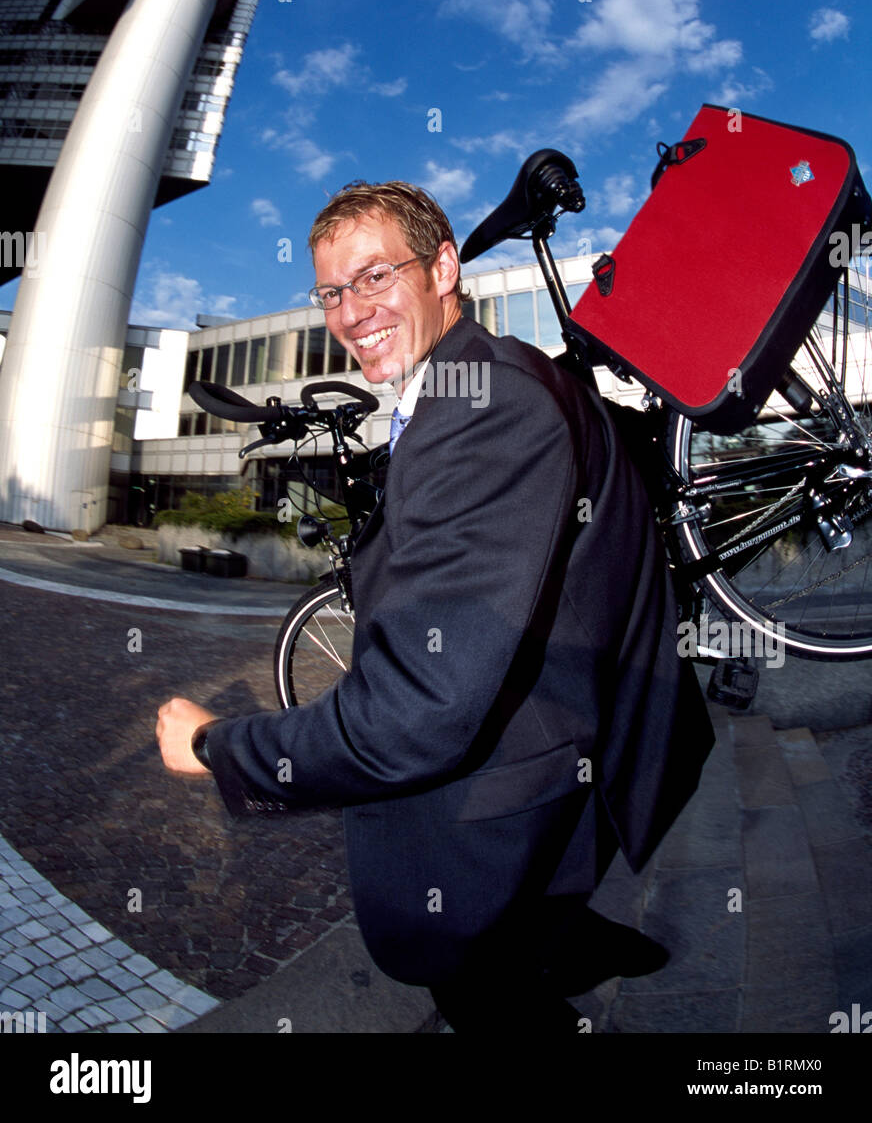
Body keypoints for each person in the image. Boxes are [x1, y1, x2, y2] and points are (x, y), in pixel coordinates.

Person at [156, 180, 714, 1034]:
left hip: (492, 814)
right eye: (333, 292)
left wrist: (215, 746)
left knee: (484, 997)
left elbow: (415, 711)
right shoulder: (489, 382)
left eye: (375, 276)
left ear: (444, 266)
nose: (351, 311)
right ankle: (573, 947)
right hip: (563, 760)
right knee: (536, 931)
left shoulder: (481, 407)